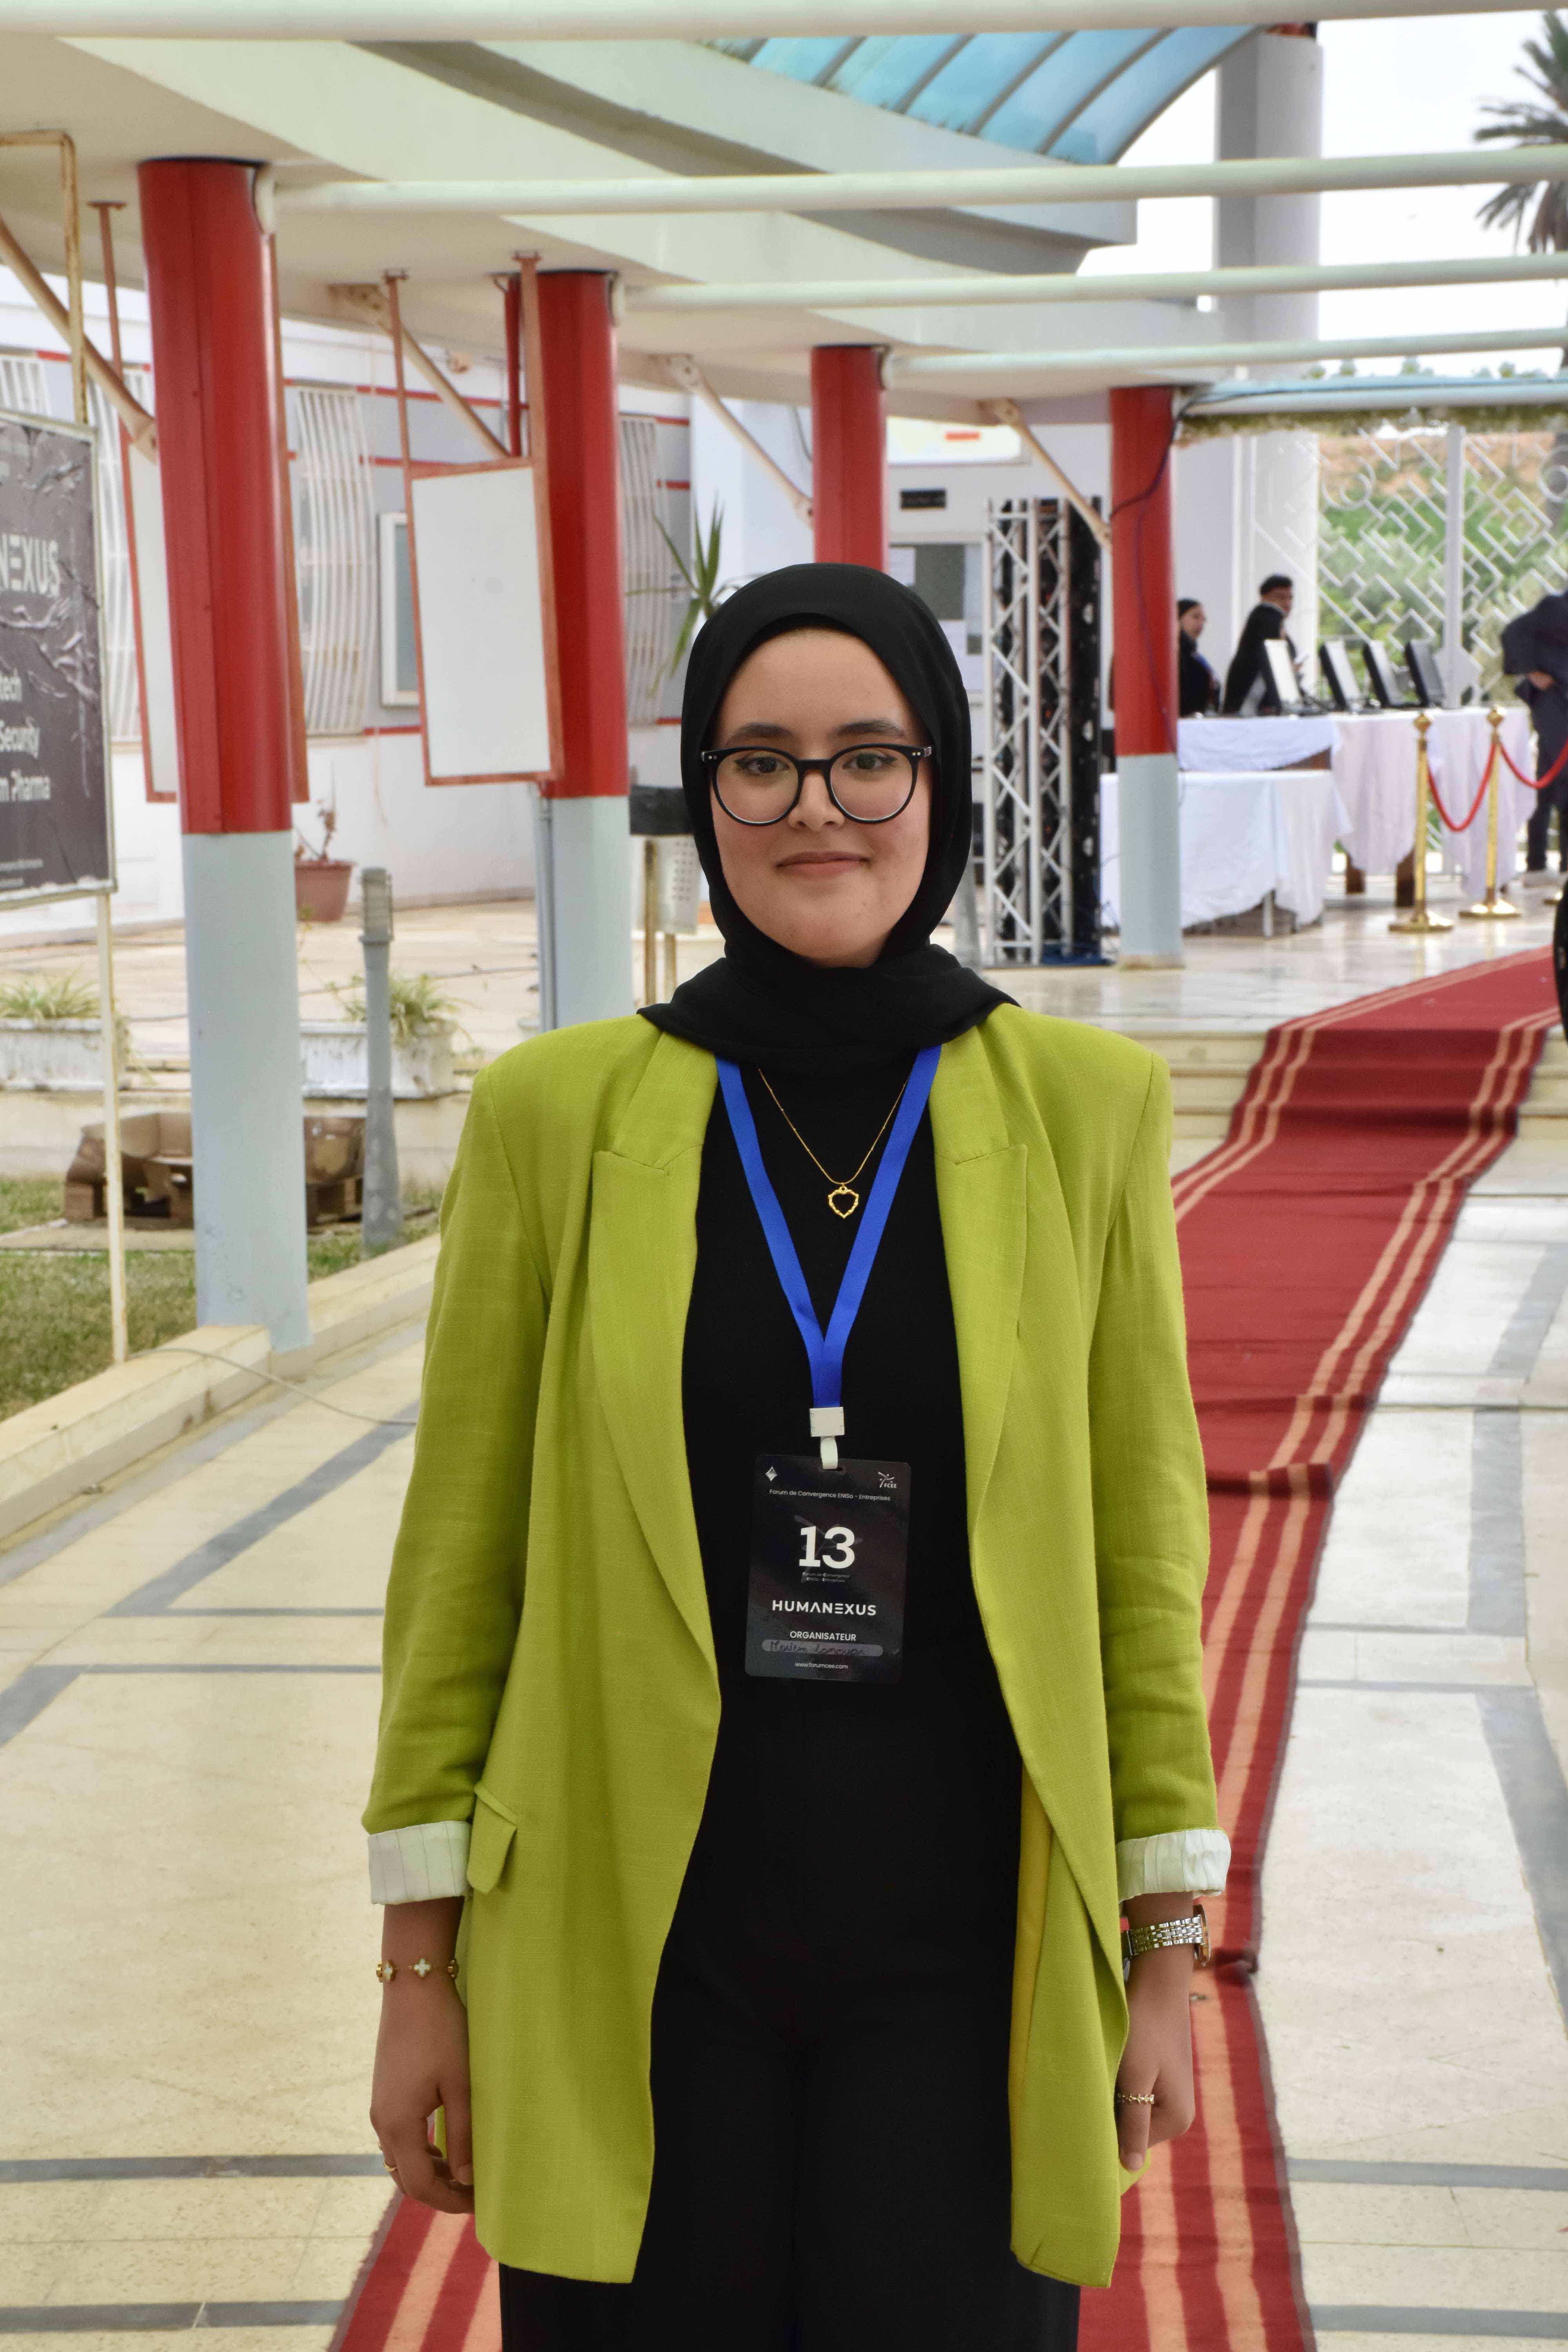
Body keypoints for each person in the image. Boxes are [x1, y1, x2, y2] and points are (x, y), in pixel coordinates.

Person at [364, 563, 1229, 2352]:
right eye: (758, 761)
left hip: (968, 1940)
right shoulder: (555, 1117)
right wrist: (417, 1964)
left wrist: (1163, 1946)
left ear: (940, 781)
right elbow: (461, 1564)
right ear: (705, 796)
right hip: (629, 1933)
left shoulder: (1081, 1111)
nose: (814, 806)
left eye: (865, 757)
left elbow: (1141, 1561)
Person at [1501, 589, 1568, 878]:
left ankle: (1537, 861)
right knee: (1563, 777)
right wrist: (1531, 672)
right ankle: (1562, 864)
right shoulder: (1555, 607)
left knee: (1548, 780)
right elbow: (1513, 632)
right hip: (1553, 700)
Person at [1222, 572, 1301, 714]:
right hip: (1250, 705)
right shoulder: (1268, 616)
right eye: (1280, 597)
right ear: (1264, 598)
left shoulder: (1266, 619)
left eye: (1290, 598)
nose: (1287, 603)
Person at [1178, 597, 1220, 716]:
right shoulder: (1177, 656)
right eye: (1196, 617)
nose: (1201, 623)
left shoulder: (1195, 655)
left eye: (1204, 619)